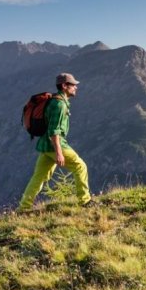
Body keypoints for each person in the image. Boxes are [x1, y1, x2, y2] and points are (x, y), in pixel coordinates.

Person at [18, 73, 92, 212]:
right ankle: (85, 201)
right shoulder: (59, 104)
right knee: (80, 167)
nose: (76, 87)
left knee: (39, 177)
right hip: (55, 145)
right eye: (73, 85)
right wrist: (59, 153)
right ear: (64, 86)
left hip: (45, 146)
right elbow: (54, 131)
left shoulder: (53, 100)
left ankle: (23, 208)